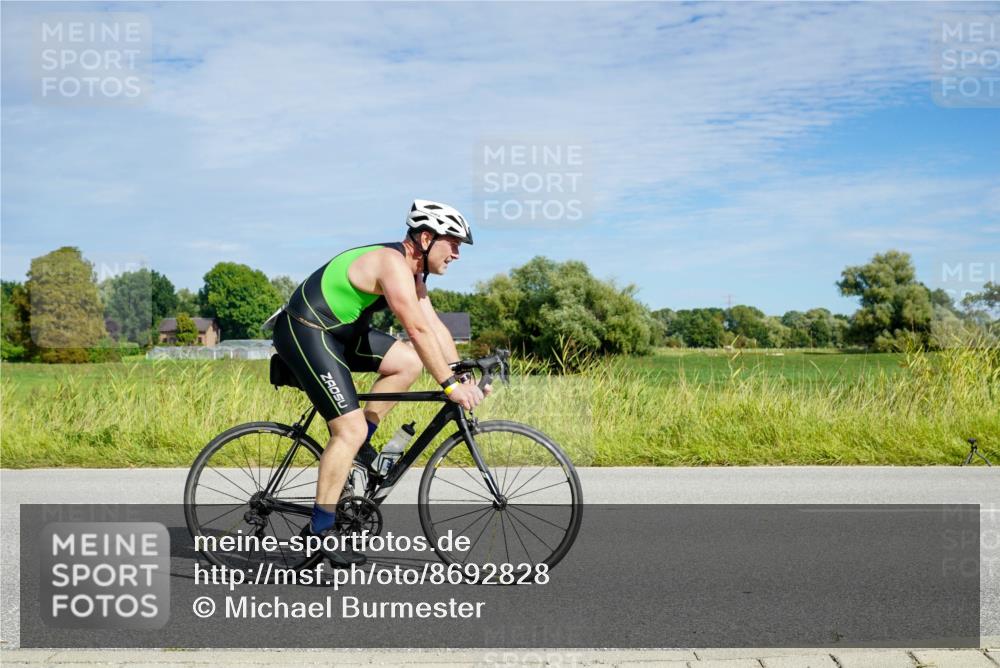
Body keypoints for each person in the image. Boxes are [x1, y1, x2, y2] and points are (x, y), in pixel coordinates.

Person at [270, 199, 486, 567]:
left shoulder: (415, 275)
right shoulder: (392, 265)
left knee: (407, 363)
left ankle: (359, 450)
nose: (457, 253)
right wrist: (450, 385)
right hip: (305, 330)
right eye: (453, 243)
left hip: (340, 332)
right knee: (348, 430)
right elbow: (415, 329)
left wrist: (463, 374)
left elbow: (433, 326)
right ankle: (320, 531)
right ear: (425, 237)